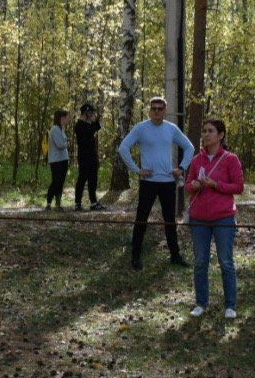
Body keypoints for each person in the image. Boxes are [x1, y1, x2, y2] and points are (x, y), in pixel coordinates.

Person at [117, 96, 194, 270]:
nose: (157, 112)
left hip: (167, 181)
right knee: (141, 219)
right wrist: (137, 170)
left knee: (170, 221)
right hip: (148, 182)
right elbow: (123, 148)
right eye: (154, 108)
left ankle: (175, 255)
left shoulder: (171, 129)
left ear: (165, 111)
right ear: (150, 110)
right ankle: (135, 257)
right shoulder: (141, 128)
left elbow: (190, 147)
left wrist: (181, 168)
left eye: (160, 109)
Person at [186, 118, 245, 318]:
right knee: (200, 261)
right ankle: (201, 303)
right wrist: (194, 185)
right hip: (199, 219)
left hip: (223, 218)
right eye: (204, 131)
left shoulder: (231, 159)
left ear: (220, 135)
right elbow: (187, 186)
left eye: (210, 131)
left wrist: (215, 184)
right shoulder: (196, 160)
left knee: (226, 261)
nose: (206, 135)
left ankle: (230, 305)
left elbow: (238, 187)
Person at [73, 103, 102, 211]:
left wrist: (95, 121)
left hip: (92, 156)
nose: (93, 115)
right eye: (92, 113)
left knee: (93, 179)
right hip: (84, 157)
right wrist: (94, 122)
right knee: (82, 179)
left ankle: (93, 202)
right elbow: (90, 131)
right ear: (87, 112)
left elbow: (97, 127)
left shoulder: (88, 124)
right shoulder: (79, 125)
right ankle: (77, 203)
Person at [45, 110, 70, 209]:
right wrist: (66, 143)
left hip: (63, 159)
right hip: (56, 160)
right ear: (61, 118)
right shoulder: (55, 129)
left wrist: (65, 143)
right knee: (56, 181)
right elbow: (60, 144)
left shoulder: (61, 129)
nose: (68, 119)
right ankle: (48, 203)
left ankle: (58, 203)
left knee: (61, 182)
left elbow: (62, 143)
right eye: (67, 117)